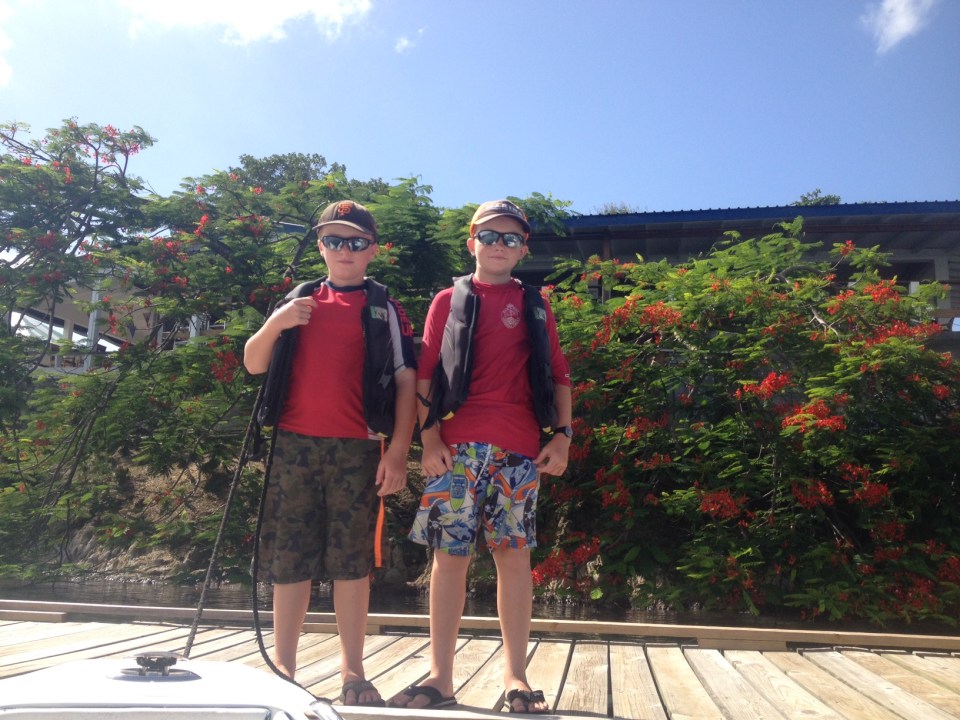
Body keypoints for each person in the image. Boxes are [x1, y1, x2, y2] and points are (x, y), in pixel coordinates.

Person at [389, 199, 572, 713]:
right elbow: (425, 372)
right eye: (490, 235)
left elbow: (559, 372)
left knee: (514, 557)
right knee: (449, 558)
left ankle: (516, 675)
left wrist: (562, 436)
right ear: (471, 242)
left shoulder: (535, 304)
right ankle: (440, 678)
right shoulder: (448, 299)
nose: (499, 245)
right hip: (456, 446)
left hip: (519, 449)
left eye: (511, 238)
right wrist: (428, 440)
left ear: (523, 250)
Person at [243, 200, 417, 707]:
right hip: (293, 446)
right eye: (335, 240)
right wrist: (276, 321)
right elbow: (254, 364)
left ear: (372, 251)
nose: (346, 250)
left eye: (356, 242)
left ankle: (353, 670)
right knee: (289, 559)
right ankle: (284, 667)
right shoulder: (297, 300)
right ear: (321, 247)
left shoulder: (385, 307)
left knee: (353, 563)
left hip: (359, 449)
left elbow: (408, 381)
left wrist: (399, 451)